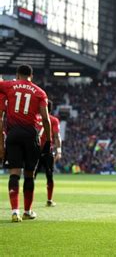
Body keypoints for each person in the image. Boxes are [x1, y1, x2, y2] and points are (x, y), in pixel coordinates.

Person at [0, 65, 51, 222]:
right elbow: (45, 119)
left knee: (14, 172)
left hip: (13, 134)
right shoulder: (40, 92)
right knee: (29, 173)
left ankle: (15, 211)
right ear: (32, 76)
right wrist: (48, 141)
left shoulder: (9, 85)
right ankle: (27, 211)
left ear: (17, 75)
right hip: (30, 134)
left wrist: (1, 144)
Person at [34, 100, 62, 206]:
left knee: (30, 176)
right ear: (50, 109)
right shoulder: (53, 120)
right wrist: (59, 151)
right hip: (47, 150)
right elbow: (56, 136)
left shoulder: (34, 117)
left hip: (34, 150)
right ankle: (49, 200)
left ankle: (28, 201)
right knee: (49, 176)